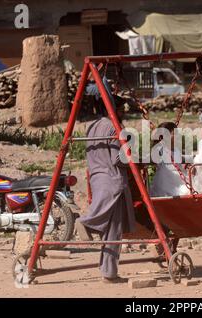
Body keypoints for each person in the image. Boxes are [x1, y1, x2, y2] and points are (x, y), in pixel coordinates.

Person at [75, 79, 135, 284]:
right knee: (112, 227)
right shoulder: (113, 128)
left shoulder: (93, 126)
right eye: (121, 108)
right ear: (114, 108)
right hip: (113, 180)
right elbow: (118, 159)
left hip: (98, 178)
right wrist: (130, 150)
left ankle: (109, 272)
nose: (124, 112)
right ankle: (85, 223)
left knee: (113, 230)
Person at [149, 122, 189, 197]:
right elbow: (153, 158)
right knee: (183, 192)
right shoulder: (159, 148)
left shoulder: (176, 149)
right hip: (166, 182)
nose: (178, 136)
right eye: (175, 133)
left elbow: (180, 159)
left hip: (178, 180)